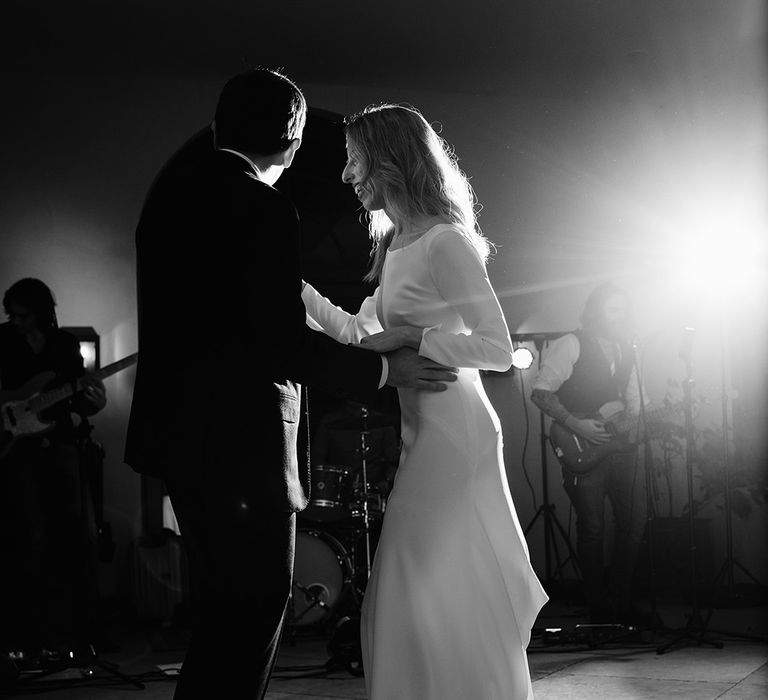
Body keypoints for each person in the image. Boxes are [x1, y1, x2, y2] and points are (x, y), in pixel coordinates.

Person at [123, 70, 457, 700]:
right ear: (294, 141)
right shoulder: (260, 204)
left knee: (218, 616)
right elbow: (276, 342)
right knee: (251, 617)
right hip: (243, 450)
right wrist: (383, 371)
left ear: (219, 126)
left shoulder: (168, 203)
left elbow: (227, 321)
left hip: (177, 444)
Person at [301, 104, 548, 700]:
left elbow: (494, 348)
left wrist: (414, 337)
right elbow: (361, 335)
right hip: (423, 433)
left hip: (457, 432)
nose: (345, 176)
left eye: (354, 161)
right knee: (421, 586)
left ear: (388, 160)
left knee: (412, 583)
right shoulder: (394, 244)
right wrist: (295, 288)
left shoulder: (444, 241)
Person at [0, 278, 106, 663]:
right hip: (18, 451)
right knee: (32, 538)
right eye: (12, 315)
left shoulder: (63, 346)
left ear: (41, 312)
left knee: (76, 537)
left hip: (62, 445)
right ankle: (30, 636)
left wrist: (95, 402)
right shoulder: (3, 340)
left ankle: (75, 634)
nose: (17, 322)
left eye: (24, 315)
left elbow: (82, 402)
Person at [530, 282, 649, 625]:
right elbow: (540, 392)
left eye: (624, 309)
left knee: (634, 522)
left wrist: (639, 418)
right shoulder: (572, 343)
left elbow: (635, 403)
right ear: (597, 312)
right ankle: (598, 605)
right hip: (580, 445)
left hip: (622, 448)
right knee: (593, 526)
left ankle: (620, 601)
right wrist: (576, 425)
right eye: (613, 309)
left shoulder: (630, 349)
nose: (620, 316)